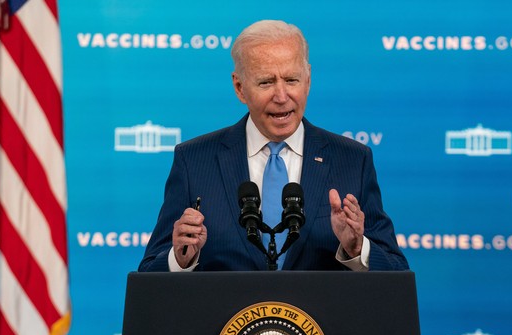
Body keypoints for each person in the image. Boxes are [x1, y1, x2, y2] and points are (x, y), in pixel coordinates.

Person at [139, 20, 408, 272]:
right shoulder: (194, 161)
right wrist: (181, 258)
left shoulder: (352, 160)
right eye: (266, 82)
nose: (282, 96)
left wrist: (357, 247)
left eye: (291, 80)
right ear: (240, 87)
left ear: (308, 79)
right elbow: (150, 274)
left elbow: (396, 271)